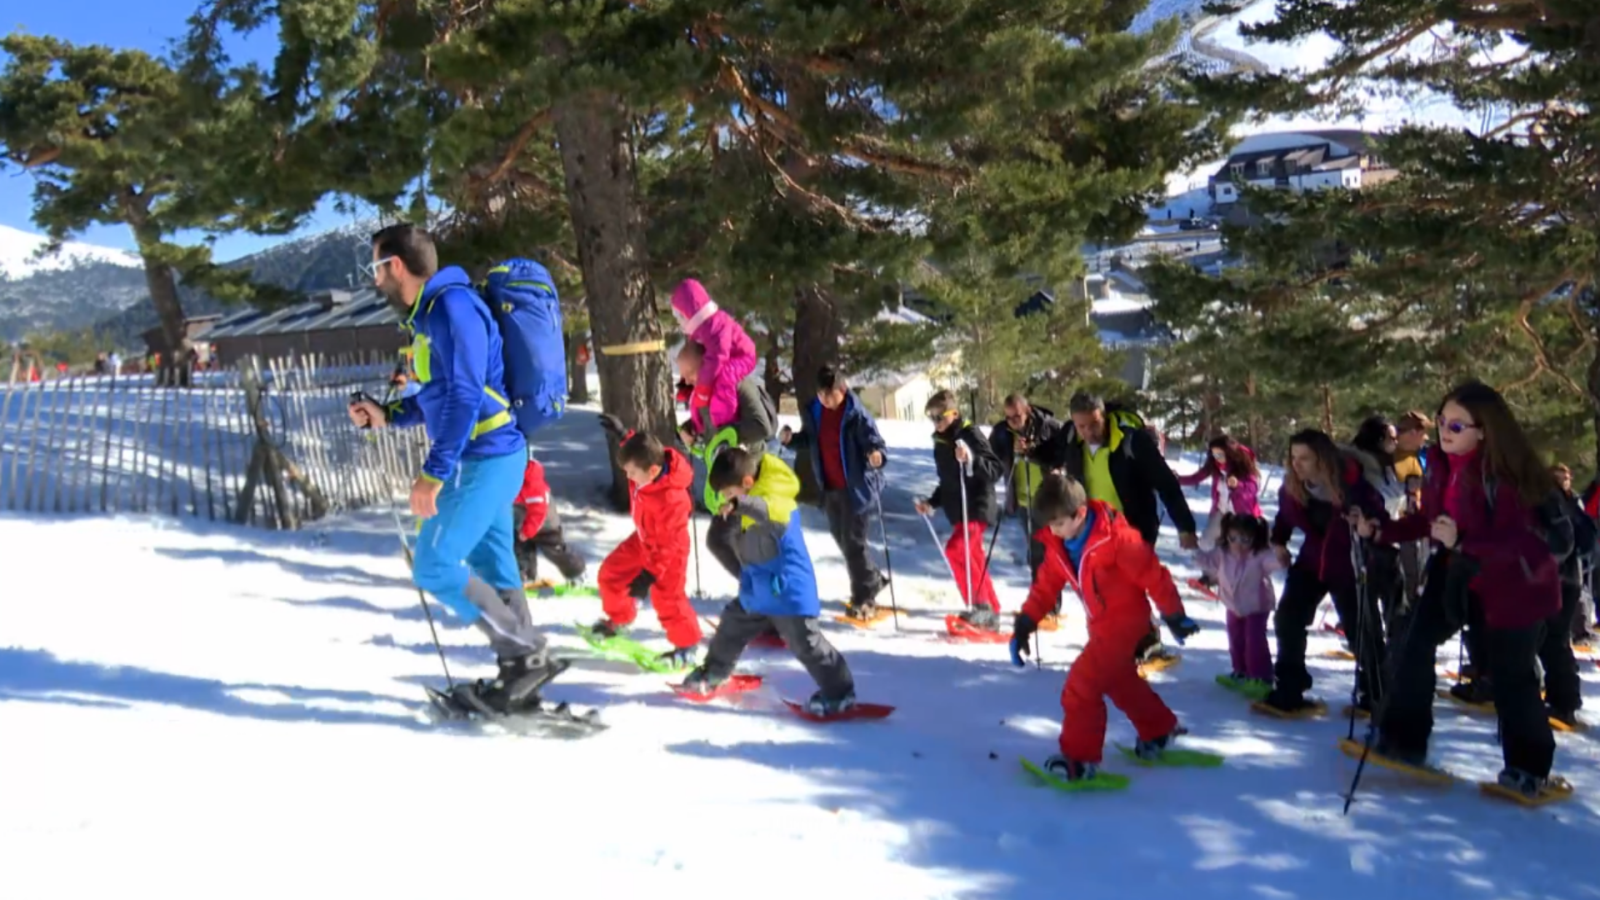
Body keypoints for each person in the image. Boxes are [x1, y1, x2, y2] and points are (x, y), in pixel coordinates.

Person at [348, 223, 563, 712]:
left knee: (433, 563)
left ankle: (524, 654)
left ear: (395, 266)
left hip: (484, 458)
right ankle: (520, 679)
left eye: (376, 267)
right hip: (486, 456)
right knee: (494, 565)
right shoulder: (433, 312)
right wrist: (390, 414)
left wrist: (434, 472)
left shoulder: (452, 308)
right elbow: (441, 394)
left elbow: (467, 394)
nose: (376, 280)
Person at [1351, 380, 1568, 800]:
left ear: (1483, 429)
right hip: (1457, 574)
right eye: (1441, 421)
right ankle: (1403, 737)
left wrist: (1464, 542)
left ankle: (1528, 768)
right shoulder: (1441, 466)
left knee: (1511, 676)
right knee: (1412, 640)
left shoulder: (1507, 477)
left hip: (1516, 588)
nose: (1444, 430)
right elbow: (1433, 523)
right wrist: (1382, 530)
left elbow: (1525, 542)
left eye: (1456, 424)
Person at [1010, 474, 1200, 783]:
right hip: (1100, 626)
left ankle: (1079, 760)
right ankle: (1159, 731)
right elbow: (1046, 587)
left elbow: (1153, 574)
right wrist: (1025, 622)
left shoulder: (1116, 539)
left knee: (1081, 686)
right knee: (1119, 681)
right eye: (1049, 524)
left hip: (1127, 625)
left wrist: (1174, 614)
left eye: (1058, 523)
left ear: (1080, 513)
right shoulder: (1059, 544)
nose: (1052, 530)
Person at [1025, 391, 1199, 667]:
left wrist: (1186, 527)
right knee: (1105, 589)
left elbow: (1166, 483)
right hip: (1093, 528)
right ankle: (1130, 640)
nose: (1088, 432)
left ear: (1103, 415)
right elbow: (1053, 453)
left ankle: (1143, 641)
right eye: (1082, 425)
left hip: (1133, 524)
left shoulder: (1132, 441)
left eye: (1093, 424)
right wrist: (1031, 451)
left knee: (1130, 584)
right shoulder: (1072, 436)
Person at [681, 447, 858, 715]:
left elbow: (768, 510)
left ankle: (840, 692)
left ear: (747, 484)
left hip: (788, 592)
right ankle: (714, 672)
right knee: (731, 626)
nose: (727, 499)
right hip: (759, 592)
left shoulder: (777, 500)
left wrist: (741, 504)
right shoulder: (749, 502)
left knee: (807, 644)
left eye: (729, 492)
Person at [1256, 429, 1389, 718]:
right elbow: (1284, 518)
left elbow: (1382, 520)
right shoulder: (1292, 486)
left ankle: (1377, 691)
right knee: (1288, 619)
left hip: (1350, 566)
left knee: (1361, 631)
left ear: (1323, 459)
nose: (1297, 464)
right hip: (1312, 562)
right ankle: (1290, 688)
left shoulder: (1355, 488)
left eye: (1304, 458)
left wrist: (1366, 524)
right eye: (1293, 457)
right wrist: (1279, 542)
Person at [780, 366, 890, 619]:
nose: (825, 400)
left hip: (857, 489)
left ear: (842, 390)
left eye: (829, 395)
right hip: (830, 487)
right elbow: (809, 439)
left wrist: (877, 456)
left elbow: (876, 443)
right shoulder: (817, 413)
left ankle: (864, 598)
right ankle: (871, 578)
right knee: (841, 537)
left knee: (853, 543)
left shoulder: (856, 415)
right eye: (821, 395)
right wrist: (790, 440)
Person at [590, 427, 703, 667]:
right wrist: (624, 436)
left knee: (668, 598)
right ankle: (621, 618)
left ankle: (687, 647)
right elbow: (640, 446)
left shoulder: (672, 499)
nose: (628, 477)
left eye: (631, 472)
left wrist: (649, 574)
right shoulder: (647, 469)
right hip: (643, 540)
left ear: (652, 471)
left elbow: (668, 545)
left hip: (669, 553)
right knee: (611, 573)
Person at [914, 390, 1004, 629]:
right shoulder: (941, 443)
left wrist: (971, 458)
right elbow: (948, 483)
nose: (936, 423)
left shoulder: (970, 434)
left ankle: (981, 606)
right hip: (958, 511)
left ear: (953, 413)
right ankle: (991, 609)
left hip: (977, 506)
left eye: (939, 417)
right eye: (931, 418)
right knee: (973, 556)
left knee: (956, 550)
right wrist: (931, 503)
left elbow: (995, 469)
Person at [1192, 513, 1280, 700]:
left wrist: (1281, 557)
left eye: (1245, 540)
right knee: (1236, 639)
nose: (1238, 544)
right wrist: (1194, 548)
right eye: (1233, 538)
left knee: (1254, 641)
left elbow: (1274, 562)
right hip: (1232, 605)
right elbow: (1207, 561)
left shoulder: (1259, 556)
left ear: (1255, 538)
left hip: (1256, 607)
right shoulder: (1223, 553)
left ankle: (1261, 677)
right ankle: (1240, 671)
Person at [671, 278, 758, 436]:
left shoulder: (716, 325)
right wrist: (688, 386)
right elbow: (695, 361)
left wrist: (704, 388)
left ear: (690, 313)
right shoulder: (699, 330)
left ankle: (724, 425)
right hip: (723, 359)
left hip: (742, 357)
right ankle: (699, 426)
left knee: (724, 379)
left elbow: (717, 357)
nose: (679, 321)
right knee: (703, 385)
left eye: (680, 316)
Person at [1177, 435, 1261, 592]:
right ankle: (1211, 576)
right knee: (1206, 542)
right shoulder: (1215, 467)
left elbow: (1253, 488)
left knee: (1233, 550)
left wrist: (1239, 485)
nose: (1217, 458)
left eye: (1220, 454)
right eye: (1214, 454)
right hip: (1221, 512)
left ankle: (1227, 581)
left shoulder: (1243, 466)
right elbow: (1197, 477)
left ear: (1230, 453)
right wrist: (1177, 479)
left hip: (1241, 516)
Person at [512, 454, 587, 589]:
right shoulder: (511, 479)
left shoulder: (532, 482)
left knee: (555, 551)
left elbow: (538, 512)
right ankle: (526, 578)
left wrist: (528, 531)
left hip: (545, 526)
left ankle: (577, 573)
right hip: (523, 524)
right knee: (521, 551)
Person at [989, 394, 1063, 529]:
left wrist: (1032, 451)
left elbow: (1060, 459)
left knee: (1055, 547)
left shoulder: (1050, 426)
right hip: (1022, 501)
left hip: (1049, 500)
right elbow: (991, 461)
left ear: (1028, 410)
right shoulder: (1001, 431)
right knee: (1034, 546)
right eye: (1008, 417)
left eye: (1017, 416)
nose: (1012, 421)